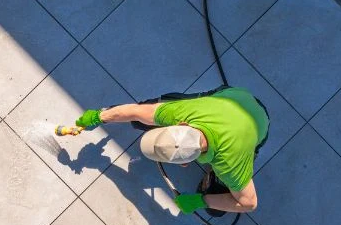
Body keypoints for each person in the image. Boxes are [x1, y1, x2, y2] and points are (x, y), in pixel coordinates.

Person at [74, 87, 269, 215]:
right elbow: (135, 111)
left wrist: (201, 200)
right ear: (182, 124)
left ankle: (218, 175)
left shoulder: (230, 166)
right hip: (235, 97)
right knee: (147, 112)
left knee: (216, 209)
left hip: (259, 125)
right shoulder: (179, 112)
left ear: (184, 163)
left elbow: (249, 203)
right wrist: (99, 116)